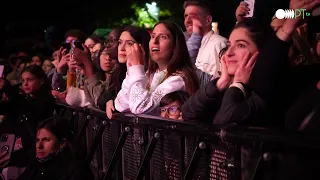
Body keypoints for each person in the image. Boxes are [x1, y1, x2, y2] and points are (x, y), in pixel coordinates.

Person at [113, 21, 199, 115]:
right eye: (153, 36)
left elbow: (139, 108)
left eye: (163, 37)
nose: (155, 41)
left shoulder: (179, 79)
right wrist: (132, 69)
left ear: (175, 46)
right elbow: (120, 105)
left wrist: (136, 68)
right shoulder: (151, 73)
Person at [17, 117, 93, 180]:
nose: (39, 146)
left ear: (62, 143)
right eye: (37, 140)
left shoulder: (75, 171)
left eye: (46, 140)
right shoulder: (36, 165)